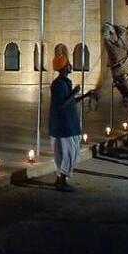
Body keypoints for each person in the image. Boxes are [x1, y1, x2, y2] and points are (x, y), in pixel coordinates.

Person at [49, 54, 94, 192]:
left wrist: (85, 95)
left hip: (69, 123)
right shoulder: (57, 84)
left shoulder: (66, 82)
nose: (71, 65)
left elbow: (70, 101)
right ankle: (62, 181)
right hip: (63, 125)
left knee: (67, 152)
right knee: (69, 152)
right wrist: (74, 92)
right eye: (68, 64)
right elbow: (62, 105)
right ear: (63, 68)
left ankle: (59, 179)